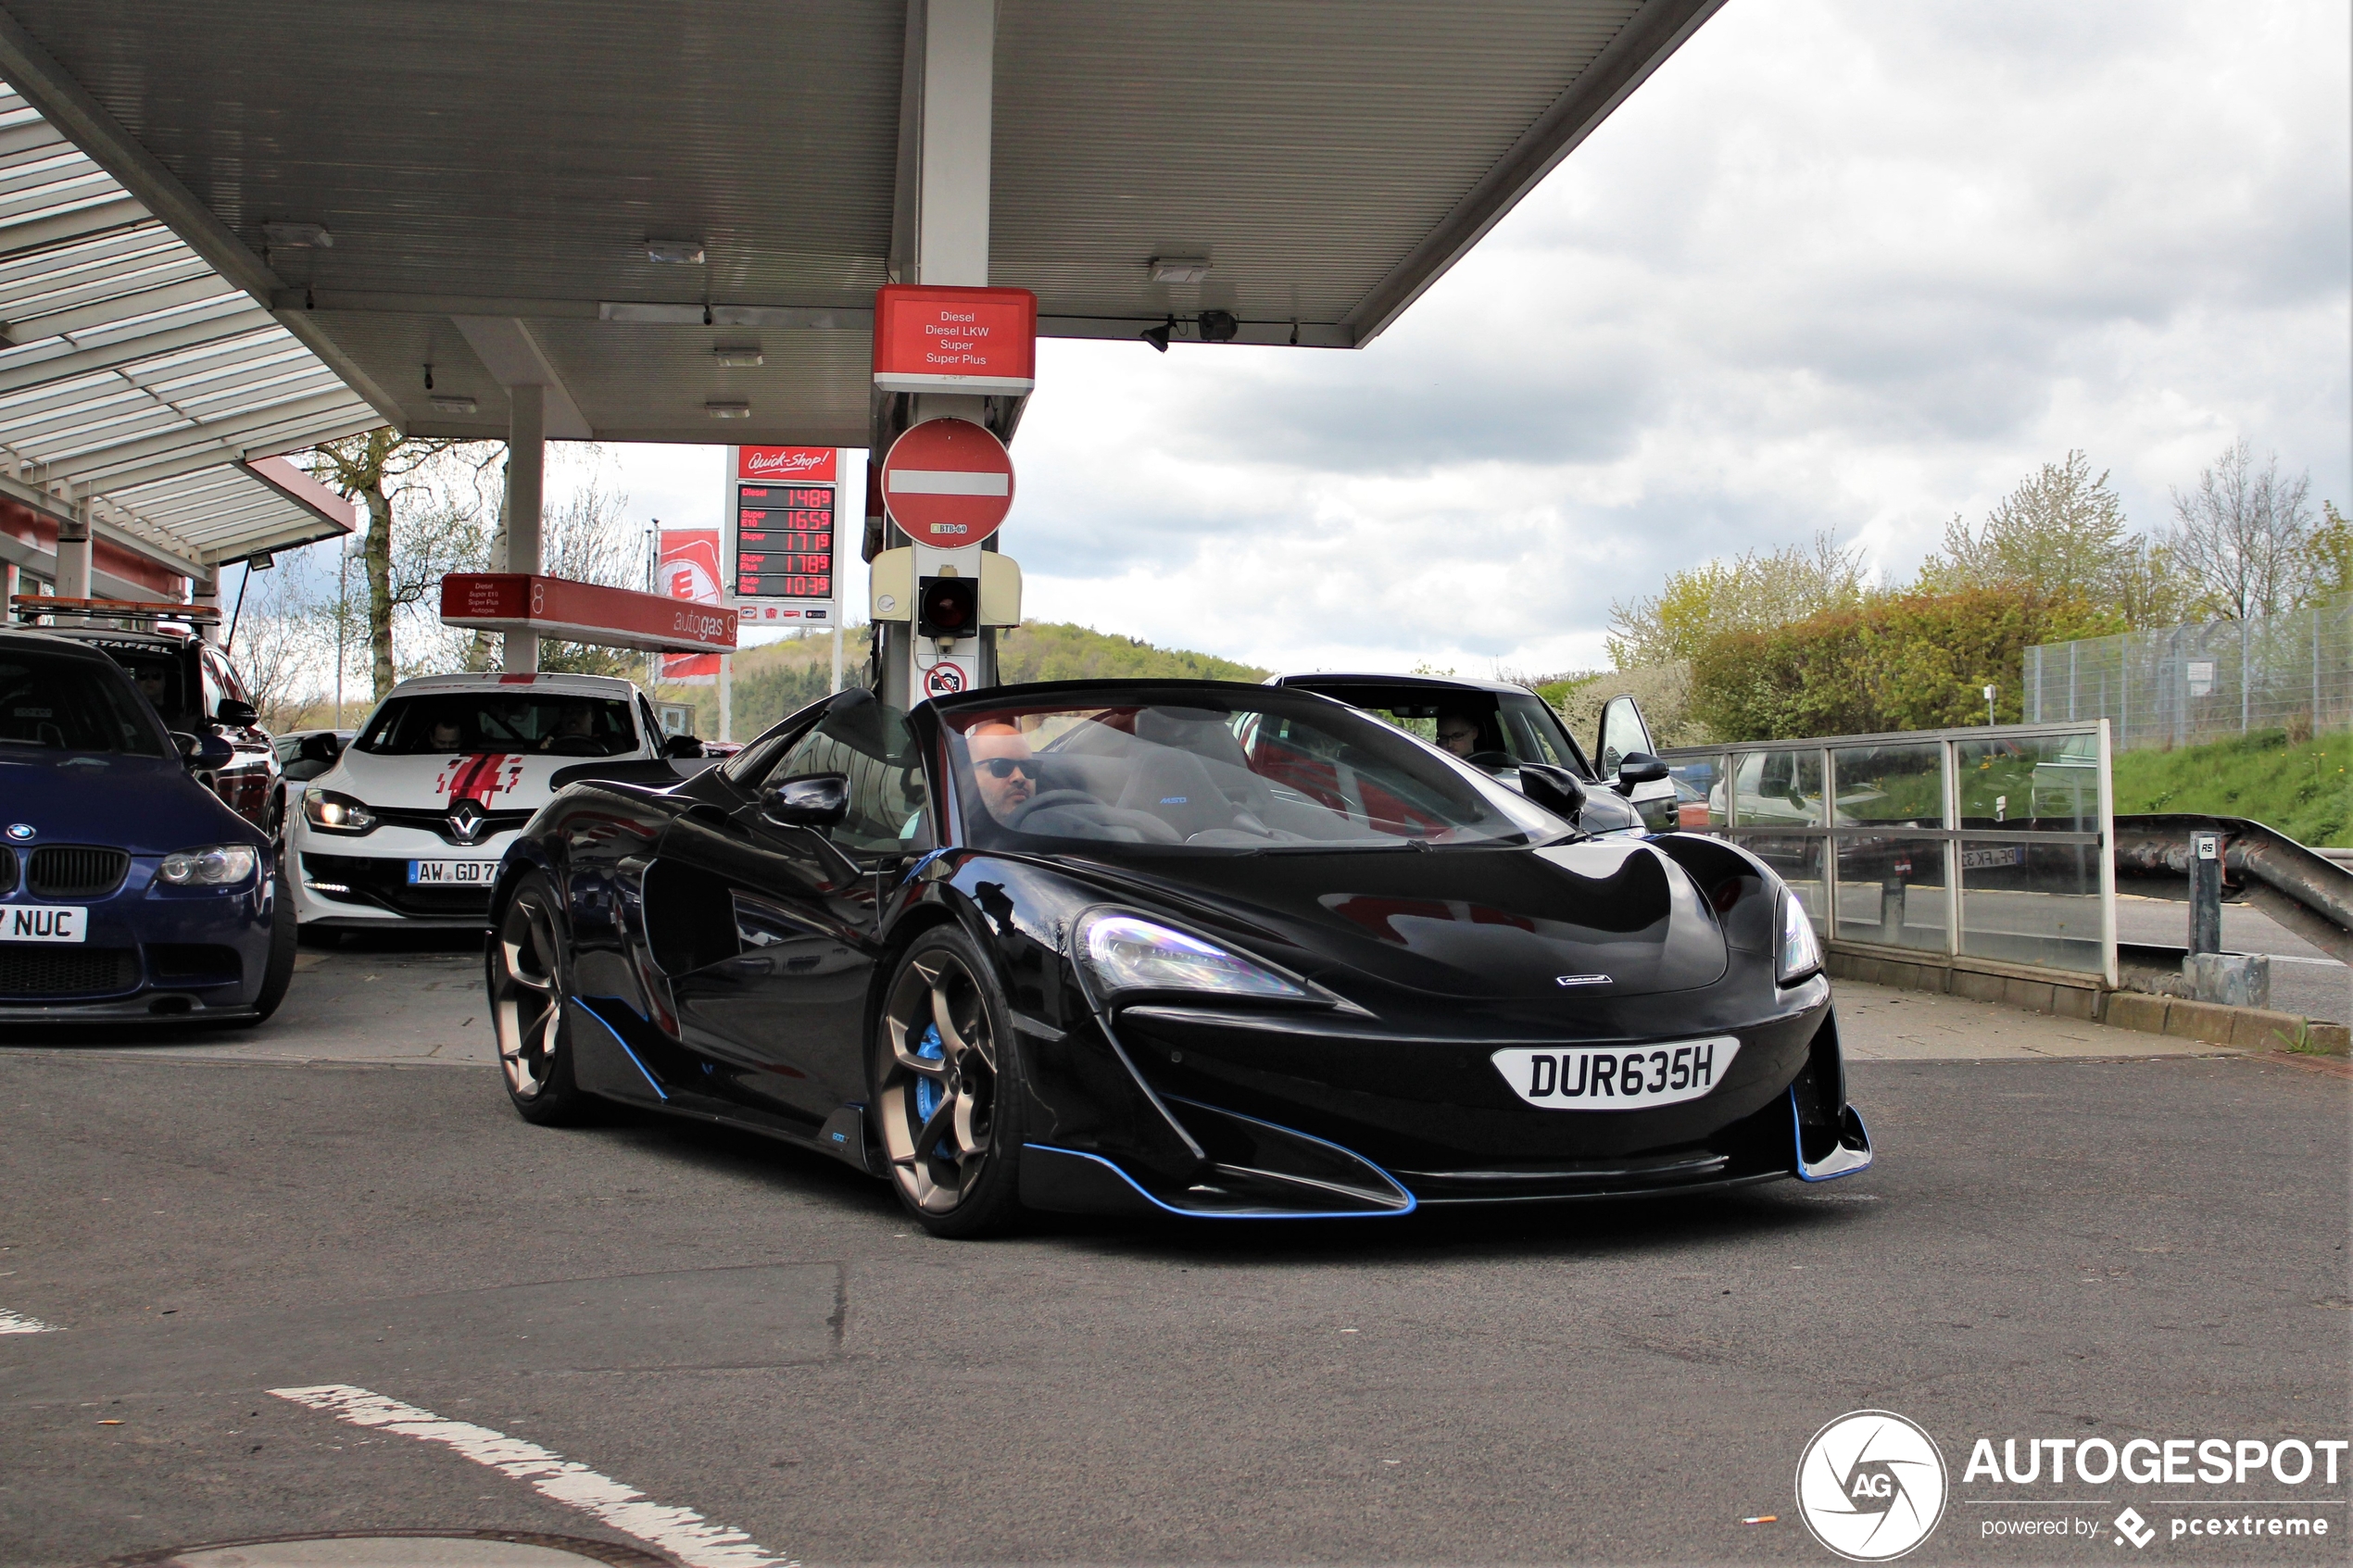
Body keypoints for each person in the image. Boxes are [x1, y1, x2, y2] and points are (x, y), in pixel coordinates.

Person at [966, 721, 1039, 824]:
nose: (1020, 777)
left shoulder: (1057, 827)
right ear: (971, 776)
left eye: (1027, 767)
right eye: (1001, 767)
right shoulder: (957, 834)